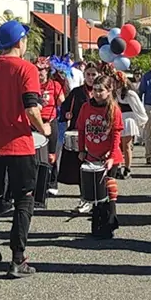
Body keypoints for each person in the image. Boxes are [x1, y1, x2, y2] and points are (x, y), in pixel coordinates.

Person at [0, 19, 51, 278]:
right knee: (24, 200)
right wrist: (43, 128)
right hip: (18, 147)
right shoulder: (27, 69)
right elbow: (31, 107)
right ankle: (17, 259)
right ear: (20, 42)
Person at [77, 74, 124, 239]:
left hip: (110, 157)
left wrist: (111, 156)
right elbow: (82, 130)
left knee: (107, 192)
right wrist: (81, 149)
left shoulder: (114, 110)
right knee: (95, 193)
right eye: (95, 90)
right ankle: (96, 226)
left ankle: (109, 224)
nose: (97, 93)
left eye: (101, 90)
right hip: (91, 155)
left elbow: (116, 136)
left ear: (109, 91)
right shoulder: (86, 107)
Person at [58, 62, 99, 211]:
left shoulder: (102, 92)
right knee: (81, 169)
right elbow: (64, 107)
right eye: (88, 74)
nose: (90, 77)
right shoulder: (77, 92)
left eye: (93, 74)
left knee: (97, 168)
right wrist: (65, 114)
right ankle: (85, 198)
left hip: (97, 135)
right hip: (79, 133)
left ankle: (98, 200)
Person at [36, 57, 65, 196]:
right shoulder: (30, 85)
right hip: (34, 122)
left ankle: (52, 182)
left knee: (51, 155)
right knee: (34, 155)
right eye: (37, 70)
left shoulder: (55, 85)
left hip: (50, 121)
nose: (39, 73)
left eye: (42, 70)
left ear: (48, 71)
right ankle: (37, 183)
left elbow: (62, 104)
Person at [116, 74, 148, 178]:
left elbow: (139, 109)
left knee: (127, 146)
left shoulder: (130, 94)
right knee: (118, 146)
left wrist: (140, 122)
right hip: (119, 120)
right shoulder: (115, 93)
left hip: (129, 121)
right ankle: (118, 166)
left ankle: (127, 168)